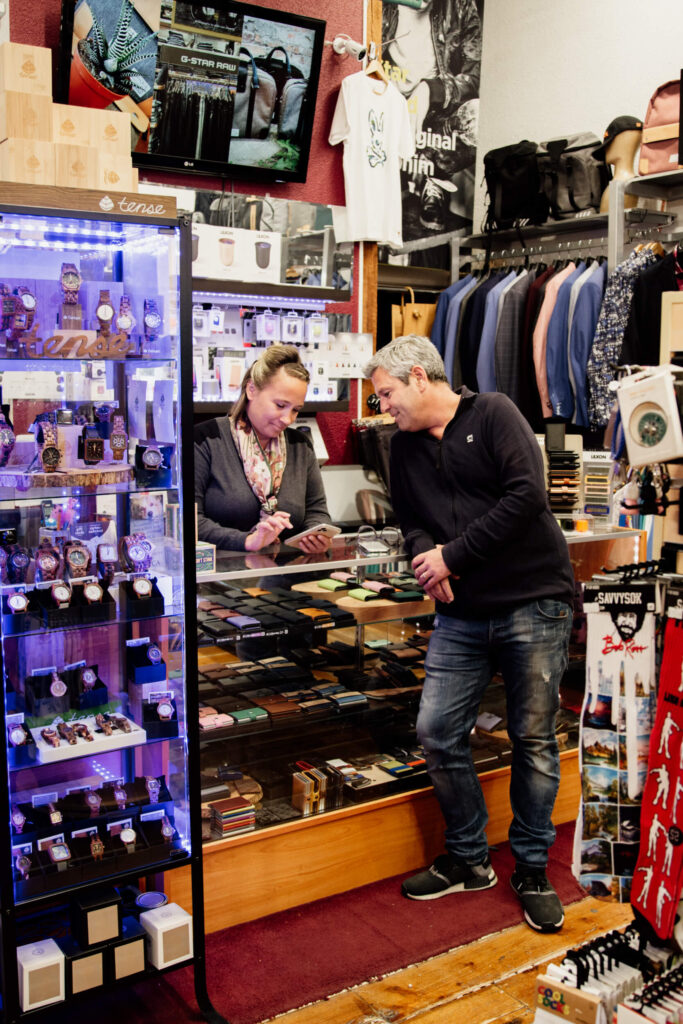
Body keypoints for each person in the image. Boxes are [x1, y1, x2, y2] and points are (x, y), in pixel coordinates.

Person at [364, 334, 575, 933]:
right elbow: (410, 522)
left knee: (532, 738)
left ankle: (532, 868)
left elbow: (527, 498)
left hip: (532, 601)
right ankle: (469, 858)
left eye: (387, 394)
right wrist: (425, 560)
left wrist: (452, 556)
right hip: (461, 613)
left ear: (420, 377)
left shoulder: (496, 412)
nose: (384, 408)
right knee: (436, 731)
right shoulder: (399, 447)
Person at [195, 345, 332, 553]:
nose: (288, 419)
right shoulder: (206, 439)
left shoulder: (300, 446)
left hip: (285, 576)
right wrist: (247, 541)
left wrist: (316, 534)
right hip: (220, 575)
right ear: (252, 389)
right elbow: (189, 520)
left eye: (295, 410)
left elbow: (317, 510)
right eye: (279, 405)